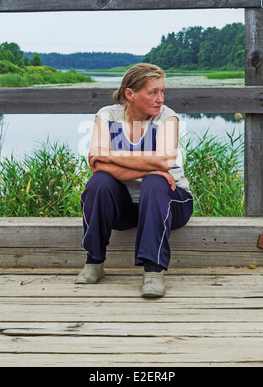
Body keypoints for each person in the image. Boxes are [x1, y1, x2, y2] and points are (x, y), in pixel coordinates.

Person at [75, 63, 193, 297]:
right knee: (99, 182)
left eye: (162, 91)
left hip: (170, 202)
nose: (161, 98)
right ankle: (94, 262)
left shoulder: (168, 118)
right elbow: (96, 166)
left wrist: (109, 154)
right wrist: (148, 167)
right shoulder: (107, 116)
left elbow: (164, 161)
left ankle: (153, 271)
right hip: (125, 207)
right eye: (153, 92)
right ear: (130, 94)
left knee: (155, 182)